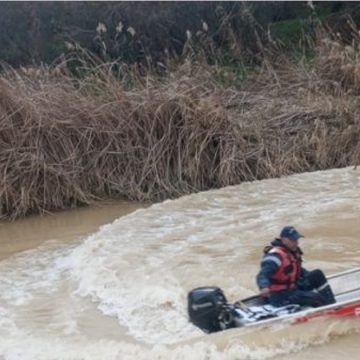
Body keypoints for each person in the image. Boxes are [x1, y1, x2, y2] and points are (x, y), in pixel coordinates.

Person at [256, 226, 336, 308]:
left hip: (293, 288)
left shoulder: (291, 252)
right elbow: (262, 275)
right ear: (283, 240)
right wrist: (264, 287)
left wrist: (311, 278)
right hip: (280, 296)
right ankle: (327, 308)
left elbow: (297, 271)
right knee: (316, 298)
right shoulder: (275, 256)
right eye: (292, 240)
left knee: (317, 274)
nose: (296, 243)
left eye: (296, 240)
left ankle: (332, 304)